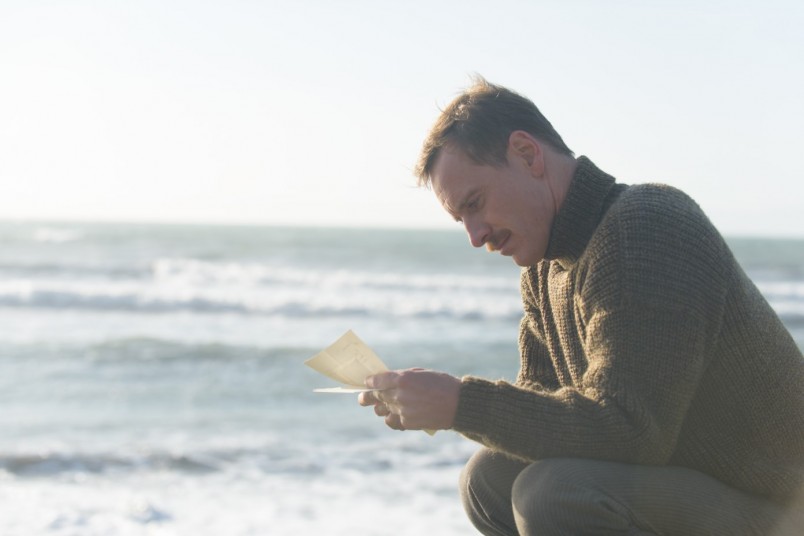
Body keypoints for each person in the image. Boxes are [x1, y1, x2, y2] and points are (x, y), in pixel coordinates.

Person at [358, 77, 804, 535]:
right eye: (461, 219)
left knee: (554, 494)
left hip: (780, 507)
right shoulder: (544, 270)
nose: (475, 235)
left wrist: (460, 403)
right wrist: (434, 401)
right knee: (488, 479)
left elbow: (631, 430)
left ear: (527, 154)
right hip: (700, 489)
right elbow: (542, 408)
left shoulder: (645, 227)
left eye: (476, 204)